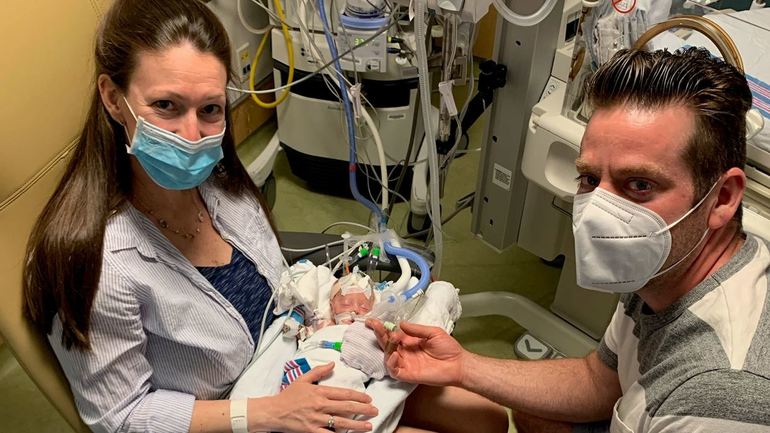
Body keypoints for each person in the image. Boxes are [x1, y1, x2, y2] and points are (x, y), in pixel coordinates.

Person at [21, 1, 508, 433]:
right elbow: (122, 417)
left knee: (485, 417)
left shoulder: (220, 182)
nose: (192, 135)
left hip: (303, 353)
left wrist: (341, 313)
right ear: (113, 98)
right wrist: (266, 413)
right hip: (236, 409)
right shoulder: (98, 264)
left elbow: (282, 290)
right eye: (165, 105)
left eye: (210, 109)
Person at [369, 47, 770, 433]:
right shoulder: (667, 267)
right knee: (532, 413)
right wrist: (462, 366)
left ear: (722, 198)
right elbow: (599, 381)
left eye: (639, 184)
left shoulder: (718, 396)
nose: (598, 213)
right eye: (590, 179)